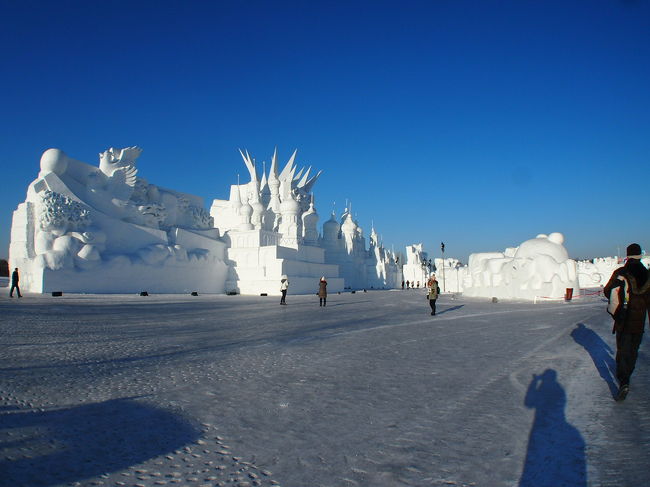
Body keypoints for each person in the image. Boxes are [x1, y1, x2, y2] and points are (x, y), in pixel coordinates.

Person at [604, 243, 650, 401]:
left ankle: (623, 380)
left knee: (623, 348)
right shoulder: (647, 274)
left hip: (623, 317)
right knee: (633, 349)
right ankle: (627, 373)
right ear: (640, 255)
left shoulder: (621, 272)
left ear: (628, 255)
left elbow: (607, 290)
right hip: (639, 319)